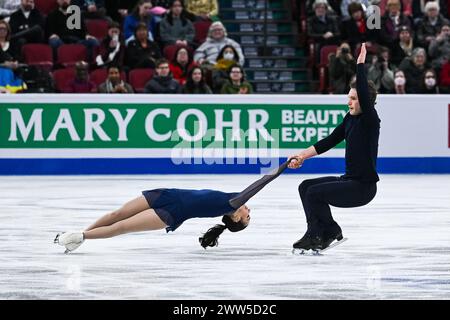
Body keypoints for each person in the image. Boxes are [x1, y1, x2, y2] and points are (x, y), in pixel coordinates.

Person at [54, 159, 293, 253]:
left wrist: (285, 165)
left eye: (247, 217)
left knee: (122, 227)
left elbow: (263, 181)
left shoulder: (232, 203)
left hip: (171, 213)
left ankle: (82, 235)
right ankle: (79, 235)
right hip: (168, 194)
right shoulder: (234, 199)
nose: (248, 211)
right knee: (117, 214)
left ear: (235, 218)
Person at [288, 43, 380, 252]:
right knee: (305, 187)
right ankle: (321, 231)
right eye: (348, 97)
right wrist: (302, 156)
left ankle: (323, 232)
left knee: (314, 194)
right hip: (348, 180)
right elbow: (328, 141)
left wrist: (360, 65)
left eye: (354, 99)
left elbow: (364, 94)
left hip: (363, 188)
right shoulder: (350, 119)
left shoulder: (370, 120)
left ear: (366, 102)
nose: (349, 102)